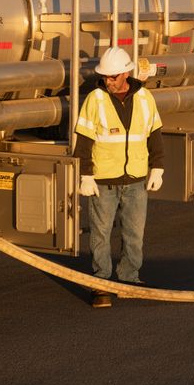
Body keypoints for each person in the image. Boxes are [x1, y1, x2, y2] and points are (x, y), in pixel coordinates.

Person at [75, 47, 167, 308]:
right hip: (103, 180)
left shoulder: (145, 98)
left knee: (134, 233)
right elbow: (83, 141)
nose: (109, 81)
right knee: (101, 234)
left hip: (135, 178)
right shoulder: (95, 99)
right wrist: (86, 176)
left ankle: (128, 278)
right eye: (105, 77)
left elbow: (155, 134)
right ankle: (101, 284)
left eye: (113, 76)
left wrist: (157, 167)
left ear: (126, 73)